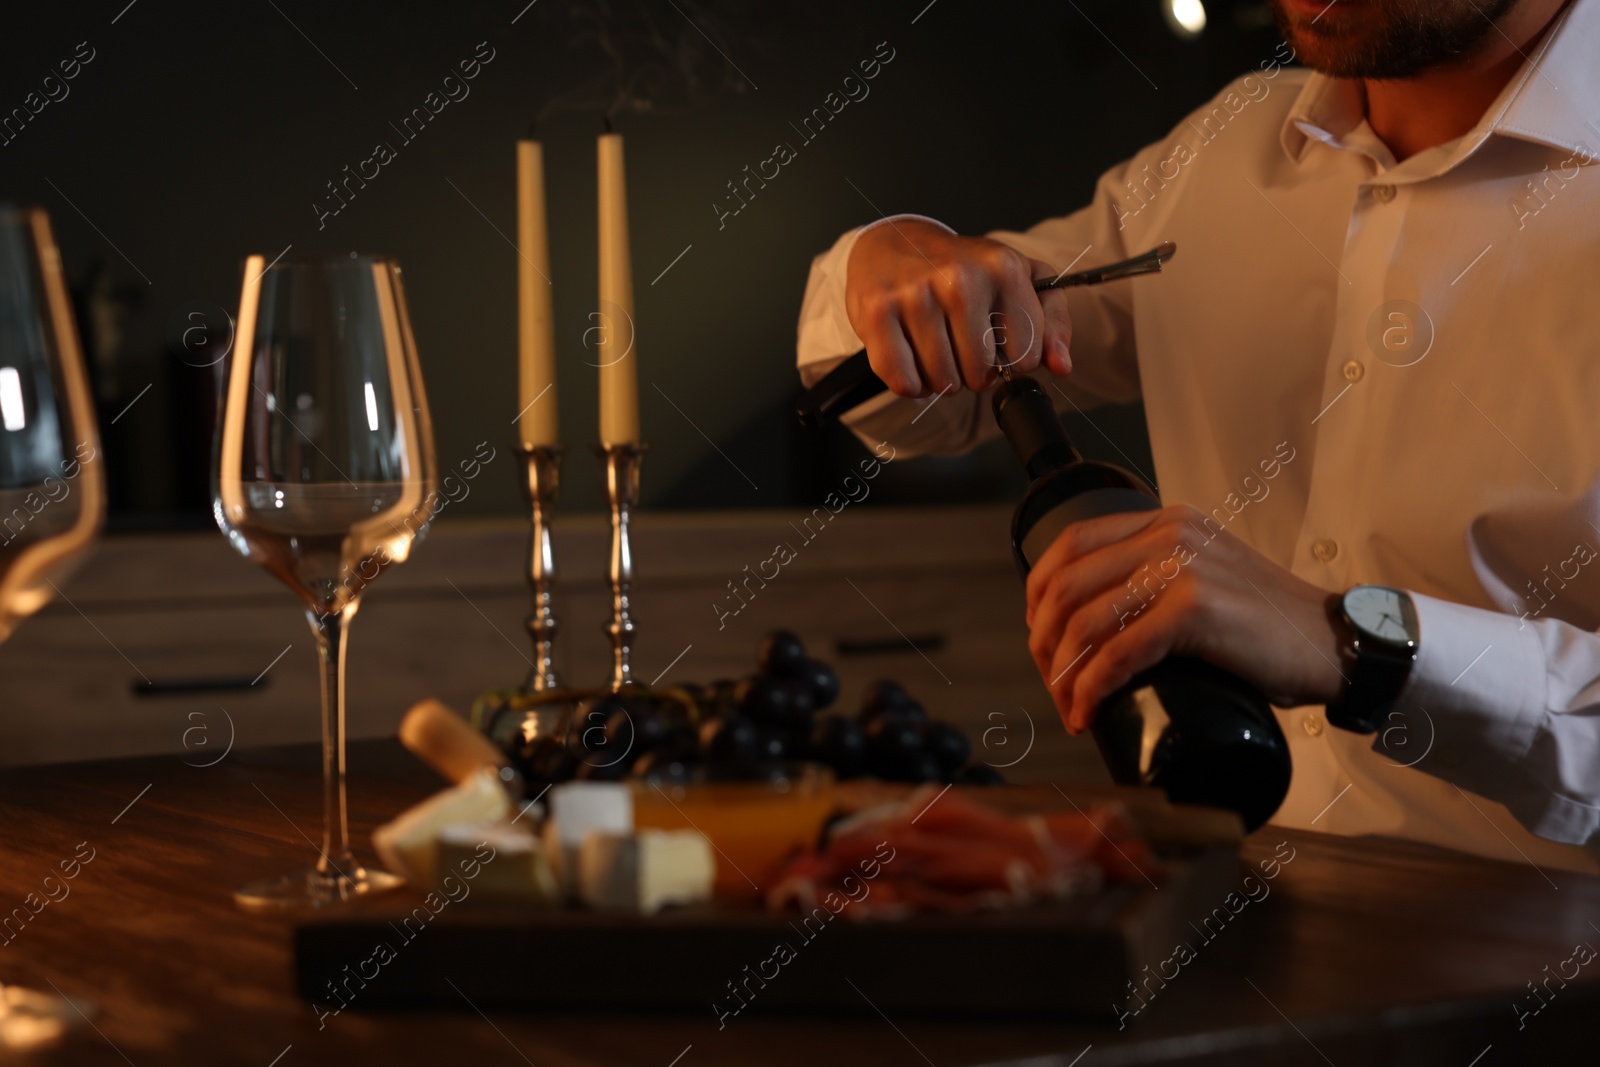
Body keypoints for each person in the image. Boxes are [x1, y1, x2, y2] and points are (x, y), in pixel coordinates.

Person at [796, 0, 1600, 872]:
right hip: (1243, 923)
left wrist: (1355, 646)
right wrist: (891, 261)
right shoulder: (1224, 151)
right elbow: (916, 397)